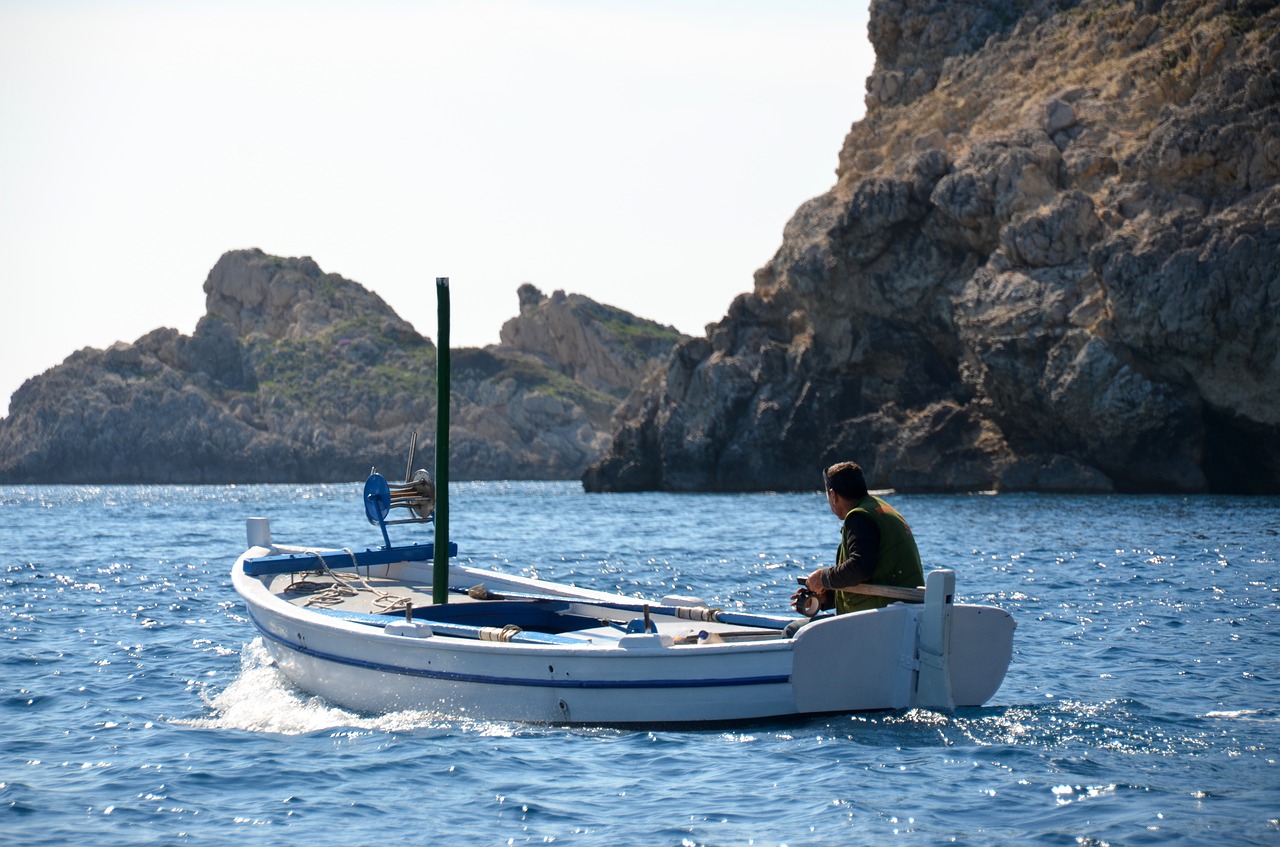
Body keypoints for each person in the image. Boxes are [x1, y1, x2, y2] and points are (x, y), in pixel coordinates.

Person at [792, 461, 924, 616]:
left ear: (833, 495)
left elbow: (861, 567)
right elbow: (876, 578)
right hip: (908, 612)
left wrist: (823, 578)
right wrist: (825, 598)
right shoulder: (880, 510)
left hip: (886, 619)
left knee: (792, 630)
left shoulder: (859, 518)